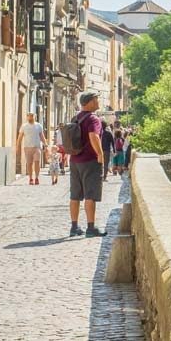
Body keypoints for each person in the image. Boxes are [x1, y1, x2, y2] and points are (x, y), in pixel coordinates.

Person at [69, 92, 106, 238]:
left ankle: (74, 226)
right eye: (96, 99)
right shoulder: (93, 119)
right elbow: (93, 136)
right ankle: (91, 228)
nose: (98, 102)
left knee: (75, 195)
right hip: (90, 161)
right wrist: (100, 154)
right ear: (90, 102)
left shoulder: (75, 118)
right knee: (90, 194)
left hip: (75, 160)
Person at [16, 112, 47, 185]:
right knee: (29, 163)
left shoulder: (38, 126)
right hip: (27, 147)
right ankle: (30, 178)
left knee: (37, 162)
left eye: (31, 116)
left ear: (35, 117)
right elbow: (20, 137)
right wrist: (18, 147)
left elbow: (42, 136)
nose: (30, 117)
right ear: (27, 117)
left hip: (37, 147)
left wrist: (45, 144)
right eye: (29, 116)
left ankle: (36, 177)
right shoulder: (24, 126)